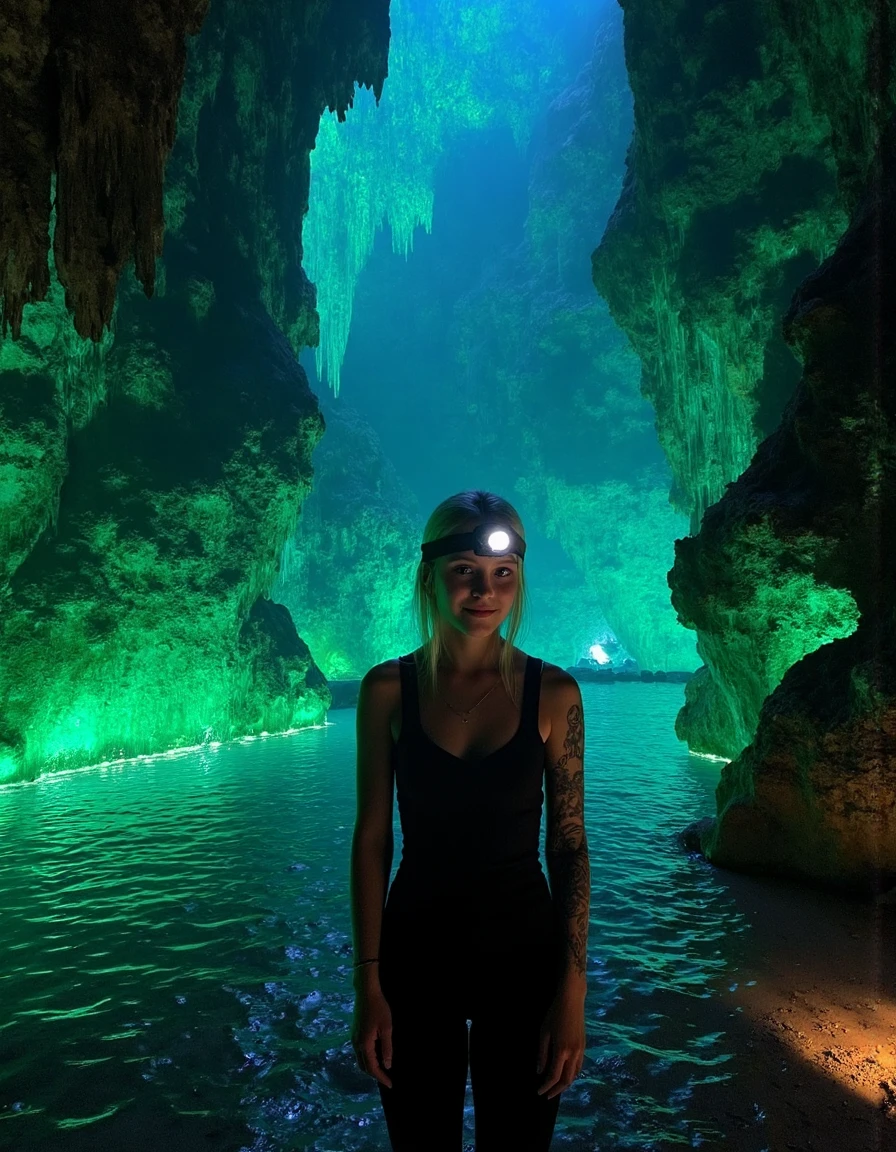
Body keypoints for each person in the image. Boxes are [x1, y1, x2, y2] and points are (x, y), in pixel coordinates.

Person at [349, 490, 590, 1151]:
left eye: (502, 575)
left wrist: (572, 990)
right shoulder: (387, 691)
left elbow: (568, 845)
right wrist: (367, 980)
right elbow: (372, 840)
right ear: (430, 576)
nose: (485, 592)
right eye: (466, 572)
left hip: (523, 956)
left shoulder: (555, 694)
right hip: (414, 953)